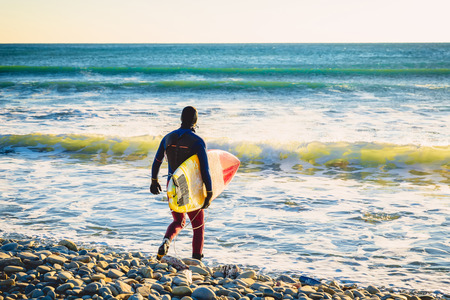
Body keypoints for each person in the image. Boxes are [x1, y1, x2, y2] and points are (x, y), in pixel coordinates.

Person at [150, 106, 213, 261]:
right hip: (189, 186)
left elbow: (157, 161)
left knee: (178, 221)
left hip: (172, 183)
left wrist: (154, 180)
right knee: (198, 224)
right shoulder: (197, 141)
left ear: (181, 119)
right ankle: (197, 258)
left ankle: (166, 240)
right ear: (195, 120)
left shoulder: (167, 138)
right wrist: (209, 193)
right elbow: (205, 170)